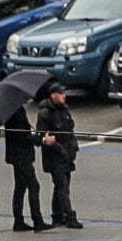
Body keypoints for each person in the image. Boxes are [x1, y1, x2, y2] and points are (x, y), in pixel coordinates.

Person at [36, 82, 81, 229]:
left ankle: (57, 215)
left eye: (64, 93)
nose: (64, 96)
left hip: (67, 155)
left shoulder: (64, 111)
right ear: (53, 95)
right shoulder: (45, 113)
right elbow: (44, 137)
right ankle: (69, 217)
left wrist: (73, 147)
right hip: (55, 157)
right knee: (63, 187)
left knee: (61, 186)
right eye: (61, 93)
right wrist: (60, 149)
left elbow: (70, 131)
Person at [3, 104, 47, 233]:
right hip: (21, 155)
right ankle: (37, 221)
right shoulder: (15, 111)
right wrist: (41, 140)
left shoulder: (11, 109)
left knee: (20, 187)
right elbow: (22, 136)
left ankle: (18, 221)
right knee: (34, 186)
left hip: (17, 155)